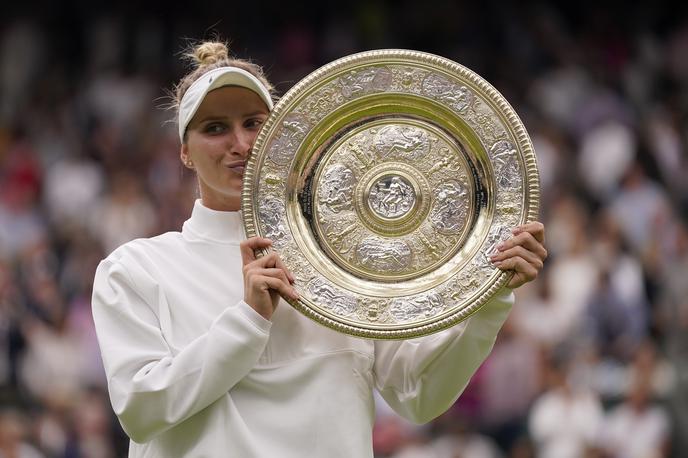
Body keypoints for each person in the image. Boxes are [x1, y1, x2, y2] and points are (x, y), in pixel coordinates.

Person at [91, 41, 547, 457]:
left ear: (283, 138)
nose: (241, 144)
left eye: (254, 123)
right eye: (215, 128)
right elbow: (140, 409)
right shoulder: (136, 269)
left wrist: (488, 297)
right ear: (185, 153)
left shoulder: (346, 262)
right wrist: (249, 320)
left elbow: (417, 396)